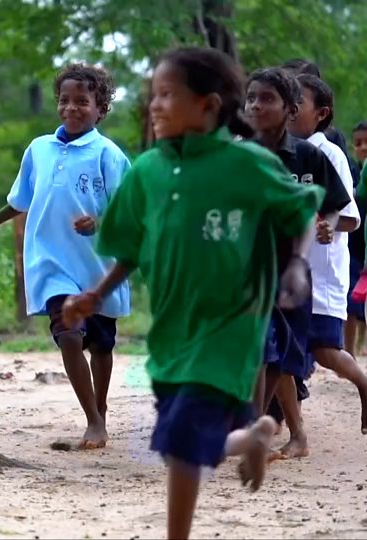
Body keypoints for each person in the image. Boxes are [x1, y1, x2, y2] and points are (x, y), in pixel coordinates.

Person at [63, 47, 323, 540]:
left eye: (167, 95)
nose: (155, 106)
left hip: (232, 325)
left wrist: (294, 265)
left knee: (180, 443)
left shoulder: (245, 164)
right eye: (152, 96)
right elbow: (133, 247)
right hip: (171, 330)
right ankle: (250, 437)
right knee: (179, 437)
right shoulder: (148, 171)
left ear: (207, 105)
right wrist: (95, 294)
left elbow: (302, 209)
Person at [0, 63, 130, 450]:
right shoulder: (39, 149)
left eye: (82, 102)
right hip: (51, 263)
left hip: (97, 266)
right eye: (65, 100)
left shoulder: (109, 154)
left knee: (102, 345)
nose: (72, 108)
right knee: (69, 334)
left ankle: (99, 410)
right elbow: (20, 200)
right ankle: (92, 419)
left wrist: (101, 221)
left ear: (101, 109)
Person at [244, 67, 351, 460]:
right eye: (251, 97)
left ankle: (291, 433)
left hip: (294, 273)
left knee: (284, 357)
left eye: (267, 98)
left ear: (290, 109)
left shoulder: (309, 156)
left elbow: (336, 208)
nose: (256, 104)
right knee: (258, 348)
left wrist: (328, 228)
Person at [290, 74, 367, 438]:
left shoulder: (329, 153)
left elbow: (350, 215)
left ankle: (363, 383)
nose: (289, 108)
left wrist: (329, 225)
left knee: (324, 350)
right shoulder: (280, 149)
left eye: (297, 102)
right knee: (279, 352)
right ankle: (294, 430)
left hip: (321, 270)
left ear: (320, 113)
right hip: (286, 270)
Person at [346, 121, 367, 356]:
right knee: (350, 301)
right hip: (354, 245)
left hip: (365, 246)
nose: (362, 148)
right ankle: (349, 351)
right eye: (358, 143)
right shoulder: (350, 170)